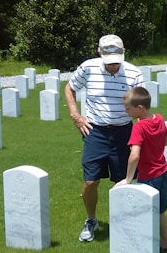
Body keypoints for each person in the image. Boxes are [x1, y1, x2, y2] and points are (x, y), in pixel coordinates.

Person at [64, 34, 144, 242]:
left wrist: (141, 132)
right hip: (95, 131)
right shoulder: (88, 68)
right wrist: (76, 116)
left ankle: (126, 223)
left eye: (117, 61)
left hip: (123, 131)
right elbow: (70, 88)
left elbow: (140, 106)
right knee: (90, 180)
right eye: (109, 62)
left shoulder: (134, 73)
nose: (113, 66)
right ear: (100, 53)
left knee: (124, 180)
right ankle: (91, 219)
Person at [114, 87, 167, 251]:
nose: (126, 112)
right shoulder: (159, 119)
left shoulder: (138, 128)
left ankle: (144, 245)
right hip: (163, 171)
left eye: (128, 109)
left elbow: (135, 155)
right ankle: (165, 243)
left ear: (139, 108)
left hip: (148, 176)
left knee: (145, 211)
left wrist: (128, 179)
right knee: (159, 211)